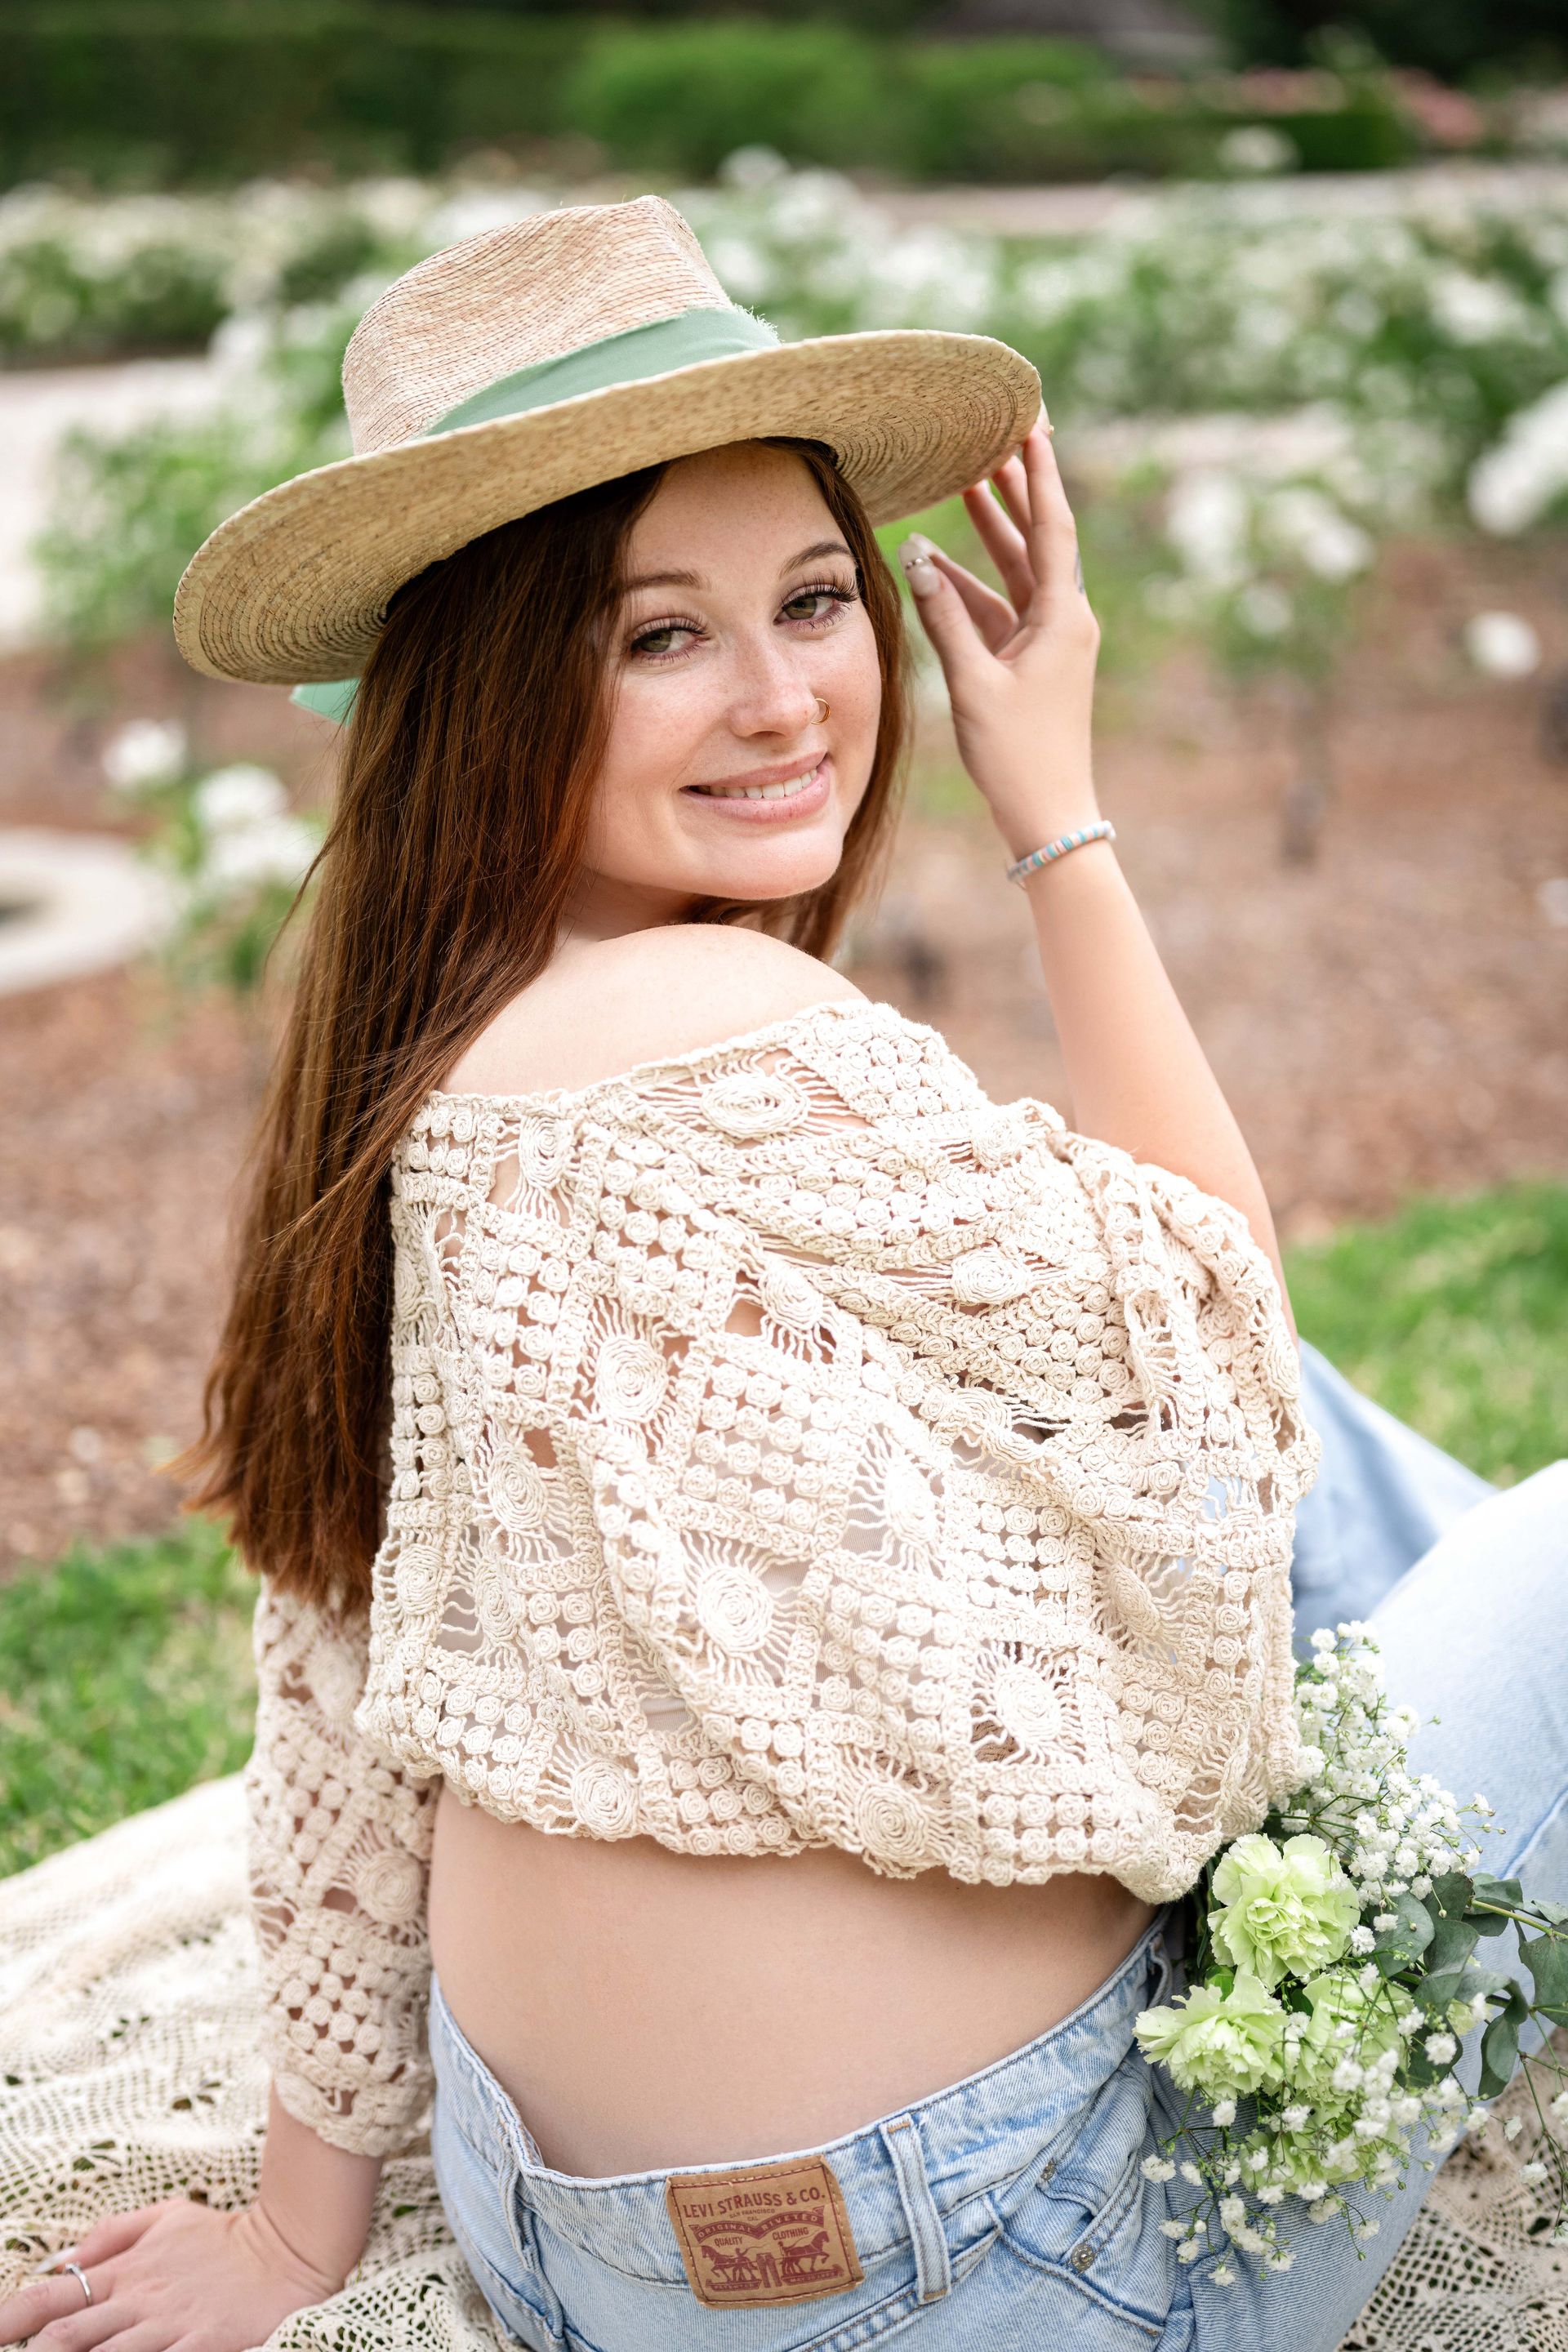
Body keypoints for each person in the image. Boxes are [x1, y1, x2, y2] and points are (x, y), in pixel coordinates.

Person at [3, 197, 1561, 2352]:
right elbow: (1220, 1337)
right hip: (988, 2254)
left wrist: (294, 2229)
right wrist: (1060, 815)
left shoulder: (411, 1078)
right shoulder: (724, 1027)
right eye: (662, 636)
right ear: (485, 687)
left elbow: (342, 1711)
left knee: (1311, 1477)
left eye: (816, 601)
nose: (787, 700)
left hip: (567, 2238)